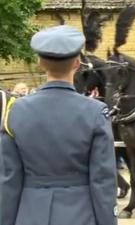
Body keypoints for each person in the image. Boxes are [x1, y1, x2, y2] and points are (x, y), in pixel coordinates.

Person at [0, 25, 118, 225]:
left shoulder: (15, 111)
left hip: (29, 214)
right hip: (81, 214)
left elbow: (8, 180)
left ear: (39, 62)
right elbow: (103, 180)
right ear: (77, 63)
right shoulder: (95, 112)